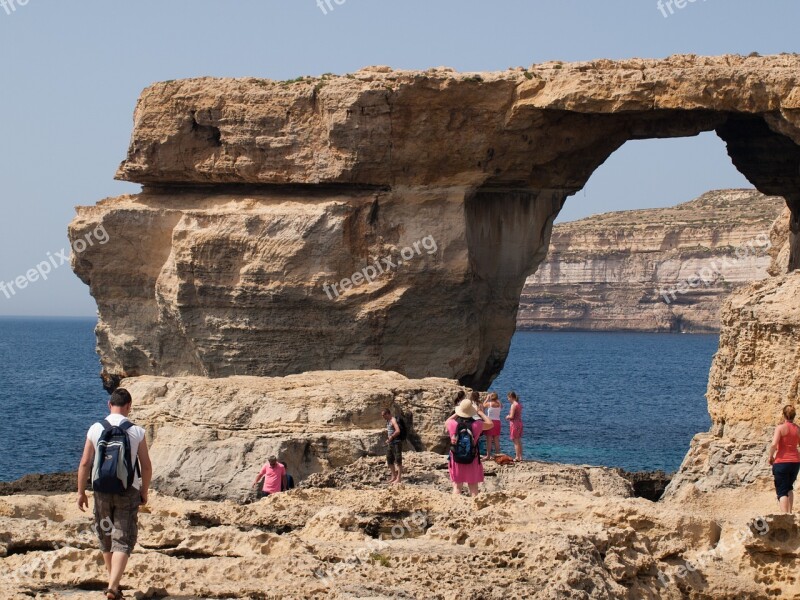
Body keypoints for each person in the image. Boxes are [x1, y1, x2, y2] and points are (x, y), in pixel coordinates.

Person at [76, 388, 152, 600]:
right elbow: (146, 466)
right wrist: (143, 491)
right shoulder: (137, 431)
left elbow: (84, 463)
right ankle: (112, 587)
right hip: (128, 490)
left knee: (105, 534)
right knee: (123, 538)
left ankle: (113, 584)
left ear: (109, 405)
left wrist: (81, 492)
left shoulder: (95, 428)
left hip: (101, 490)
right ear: (129, 406)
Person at [446, 398, 493, 496]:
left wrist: (457, 413)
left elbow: (448, 420)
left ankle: (456, 508)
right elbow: (490, 424)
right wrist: (480, 412)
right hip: (472, 458)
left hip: (456, 458)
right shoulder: (478, 424)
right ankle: (474, 508)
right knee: (473, 487)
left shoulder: (452, 424)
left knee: (457, 486)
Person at [769, 405, 800, 514]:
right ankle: (790, 513)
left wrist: (770, 457)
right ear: (794, 416)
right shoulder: (798, 429)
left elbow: (774, 444)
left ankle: (785, 516)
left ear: (783, 415)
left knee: (782, 492)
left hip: (782, 462)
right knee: (789, 487)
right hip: (795, 462)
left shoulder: (780, 428)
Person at [382, 409, 403, 484]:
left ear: (388, 414)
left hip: (396, 442)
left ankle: (399, 478)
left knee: (398, 460)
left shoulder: (393, 420)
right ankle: (393, 476)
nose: (383, 417)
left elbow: (398, 431)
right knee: (389, 459)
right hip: (391, 443)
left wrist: (391, 437)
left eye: (383, 415)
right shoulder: (387, 421)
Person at [483, 392, 502, 459]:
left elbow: (483, 405)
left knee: (489, 439)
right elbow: (501, 405)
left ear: (491, 397)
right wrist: (496, 399)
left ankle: (488, 455)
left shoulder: (489, 404)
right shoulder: (499, 404)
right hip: (498, 422)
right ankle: (498, 454)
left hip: (490, 422)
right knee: (496, 439)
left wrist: (487, 398)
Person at [506, 391, 523, 462]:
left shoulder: (513, 405)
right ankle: (520, 456)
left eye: (508, 398)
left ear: (511, 397)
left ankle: (517, 457)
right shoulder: (519, 404)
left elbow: (512, 416)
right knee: (518, 440)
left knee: (515, 440)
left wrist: (507, 417)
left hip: (514, 424)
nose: (508, 400)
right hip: (519, 423)